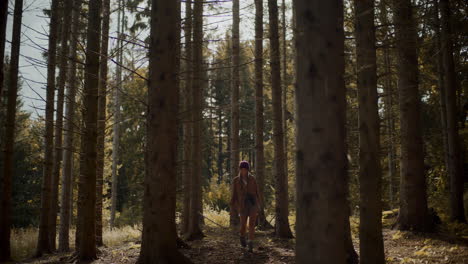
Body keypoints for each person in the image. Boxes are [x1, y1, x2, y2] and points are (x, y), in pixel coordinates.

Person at [230, 160, 261, 252]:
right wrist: (234, 207)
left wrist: (258, 205)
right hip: (242, 205)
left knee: (252, 224)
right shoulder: (236, 180)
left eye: (245, 169)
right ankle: (242, 236)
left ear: (248, 170)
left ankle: (250, 243)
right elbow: (234, 195)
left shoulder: (252, 179)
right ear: (239, 169)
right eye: (242, 169)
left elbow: (257, 192)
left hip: (253, 204)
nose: (243, 171)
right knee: (243, 225)